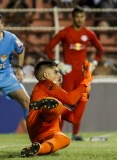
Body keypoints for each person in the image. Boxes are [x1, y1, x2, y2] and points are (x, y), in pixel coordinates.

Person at [44, 5, 104, 141]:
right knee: (63, 104)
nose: (79, 19)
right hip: (68, 74)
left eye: (82, 16)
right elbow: (48, 48)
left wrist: (94, 63)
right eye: (77, 16)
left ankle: (75, 134)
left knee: (79, 103)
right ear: (72, 17)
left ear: (85, 18)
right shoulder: (65, 32)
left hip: (82, 75)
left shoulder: (89, 34)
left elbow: (100, 50)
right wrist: (58, 63)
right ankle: (57, 132)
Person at [21, 60, 93, 157]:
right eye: (56, 72)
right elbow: (70, 100)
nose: (59, 75)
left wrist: (84, 97)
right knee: (56, 106)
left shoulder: (51, 96)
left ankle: (39, 148)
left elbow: (74, 118)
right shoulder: (44, 84)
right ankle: (42, 106)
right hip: (37, 120)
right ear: (46, 75)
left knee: (65, 140)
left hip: (43, 134)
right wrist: (86, 80)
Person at [0, 13, 30, 124]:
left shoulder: (10, 38)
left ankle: (35, 136)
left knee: (27, 101)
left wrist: (19, 68)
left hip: (5, 75)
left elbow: (21, 49)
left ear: (2, 26)